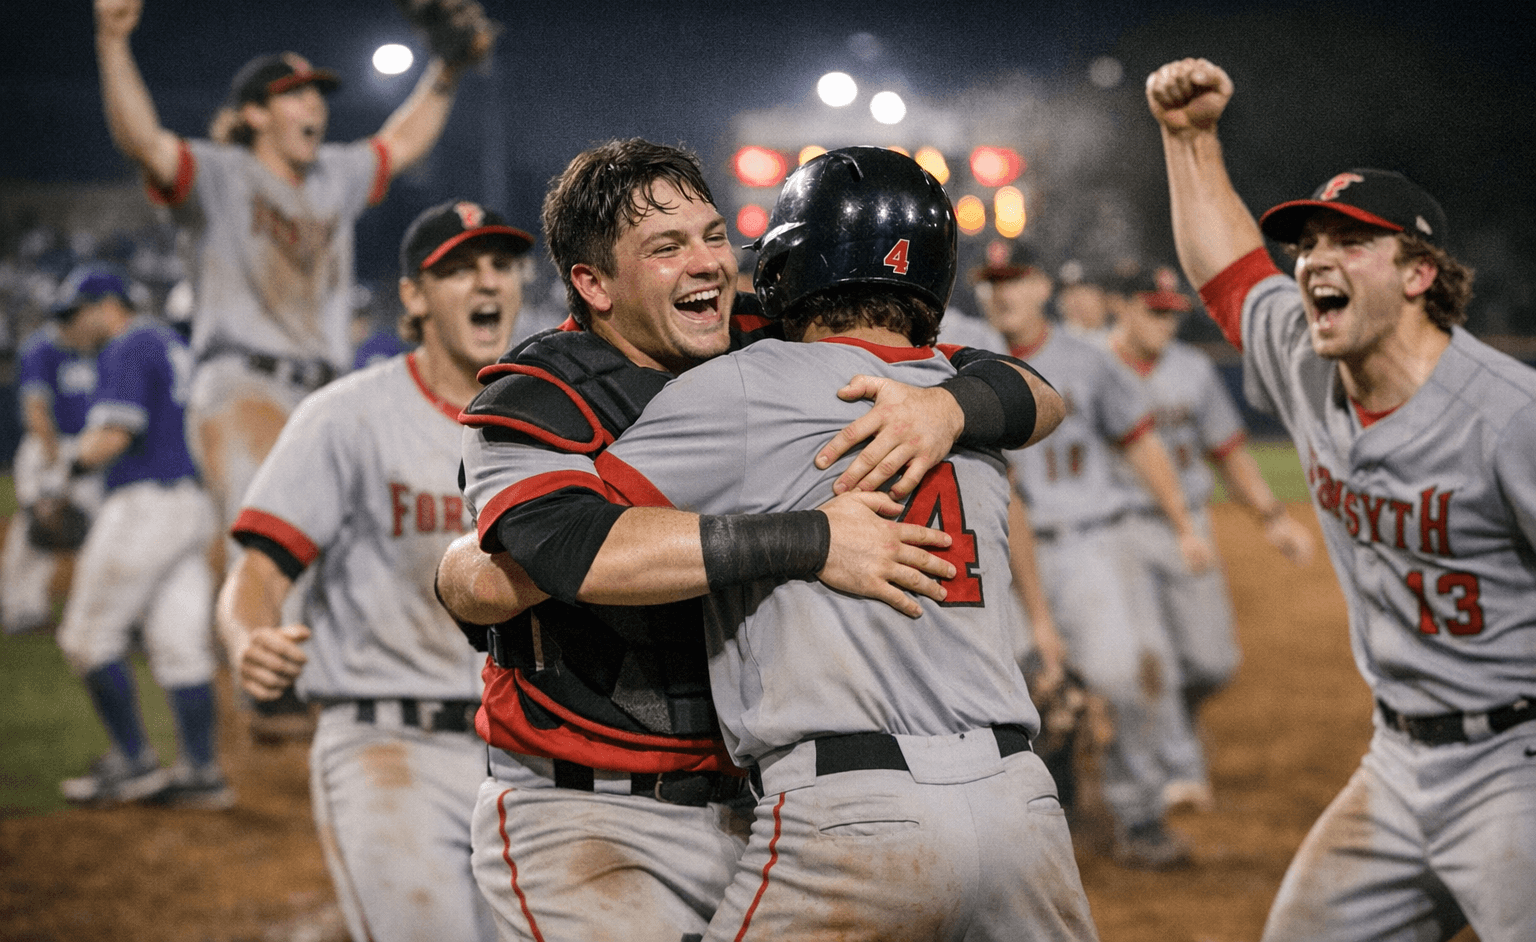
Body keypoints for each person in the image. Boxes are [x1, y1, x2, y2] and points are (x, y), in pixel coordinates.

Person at [441, 138, 1059, 942]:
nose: (707, 265)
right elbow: (571, 551)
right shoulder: (535, 398)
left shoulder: (763, 341)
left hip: (762, 807)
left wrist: (950, 408)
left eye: (711, 236)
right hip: (589, 814)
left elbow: (1034, 393)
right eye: (666, 248)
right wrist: (809, 539)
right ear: (592, 282)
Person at [1148, 57, 1536, 942]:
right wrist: (1190, 139)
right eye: (1308, 245)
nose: (1316, 260)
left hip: (1518, 767)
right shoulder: (1304, 356)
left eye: (1349, 242)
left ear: (1418, 275)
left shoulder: (1510, 421)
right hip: (1396, 763)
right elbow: (1228, 269)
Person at [217, 200, 530, 942]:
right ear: (414, 298)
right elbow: (258, 571)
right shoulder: (347, 416)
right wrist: (246, 638)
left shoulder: (546, 418)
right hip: (390, 749)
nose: (485, 282)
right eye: (457, 269)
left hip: (527, 755)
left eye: (499, 264)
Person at [92, 0, 486, 537]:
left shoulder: (334, 174)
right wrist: (112, 42)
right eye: (294, 94)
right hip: (242, 384)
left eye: (317, 94)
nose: (314, 104)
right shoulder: (219, 174)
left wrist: (445, 70)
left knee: (345, 563)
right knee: (268, 550)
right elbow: (141, 140)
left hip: (324, 391)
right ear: (253, 112)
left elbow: (401, 142)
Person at [973, 247, 1215, 868]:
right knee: (1013, 692)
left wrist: (1183, 522)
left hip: (1087, 544)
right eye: (993, 282)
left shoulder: (1085, 363)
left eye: (1016, 279)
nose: (1004, 294)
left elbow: (1142, 445)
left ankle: (1139, 816)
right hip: (999, 554)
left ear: (1042, 285)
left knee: (1119, 678)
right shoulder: (960, 364)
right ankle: (1038, 809)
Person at [1104, 264, 1315, 809]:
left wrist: (1272, 517)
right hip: (1119, 525)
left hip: (1189, 525)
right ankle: (1178, 769)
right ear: (1122, 307)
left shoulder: (1192, 370)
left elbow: (1228, 452)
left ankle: (1178, 728)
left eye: (1172, 314)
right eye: (1153, 311)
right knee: (1155, 659)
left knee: (1212, 662)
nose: (1165, 325)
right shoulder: (1093, 366)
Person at [52, 267, 228, 808]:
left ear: (107, 305)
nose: (69, 328)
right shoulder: (170, 342)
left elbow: (114, 435)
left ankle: (132, 760)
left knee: (86, 637)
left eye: (74, 314)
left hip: (144, 502)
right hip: (190, 503)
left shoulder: (126, 343)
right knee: (179, 646)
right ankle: (202, 771)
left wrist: (62, 469)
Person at [1, 303, 105, 634]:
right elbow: (36, 411)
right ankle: (20, 610)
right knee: (38, 528)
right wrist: (54, 465)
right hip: (50, 447)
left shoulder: (98, 349)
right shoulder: (41, 349)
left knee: (98, 525)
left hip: (88, 448)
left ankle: (101, 612)